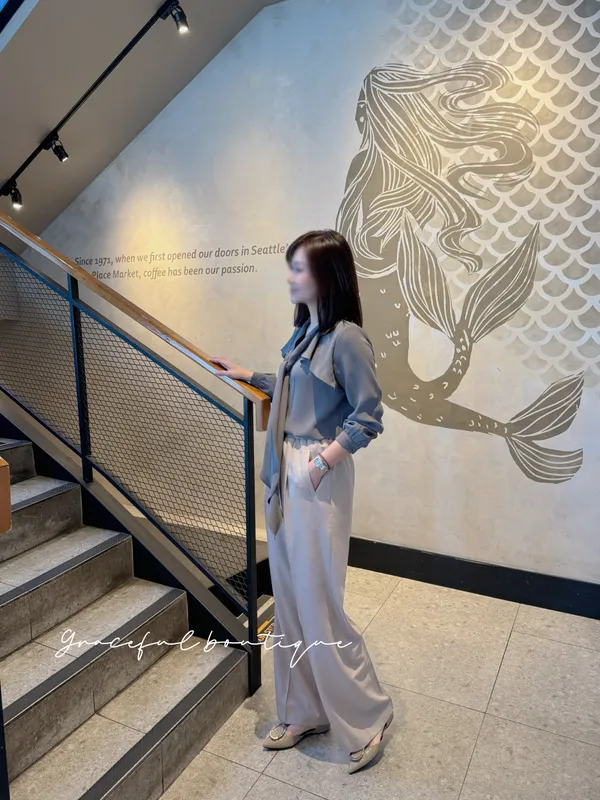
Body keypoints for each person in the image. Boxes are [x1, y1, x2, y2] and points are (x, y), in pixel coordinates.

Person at [209, 229, 393, 774]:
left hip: (317, 474)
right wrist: (250, 375)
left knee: (319, 603)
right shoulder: (306, 332)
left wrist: (321, 464)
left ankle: (368, 714)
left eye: (299, 268)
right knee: (288, 600)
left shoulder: (348, 339)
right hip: (286, 468)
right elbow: (297, 389)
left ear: (326, 276)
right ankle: (302, 710)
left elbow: (368, 416)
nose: (290, 277)